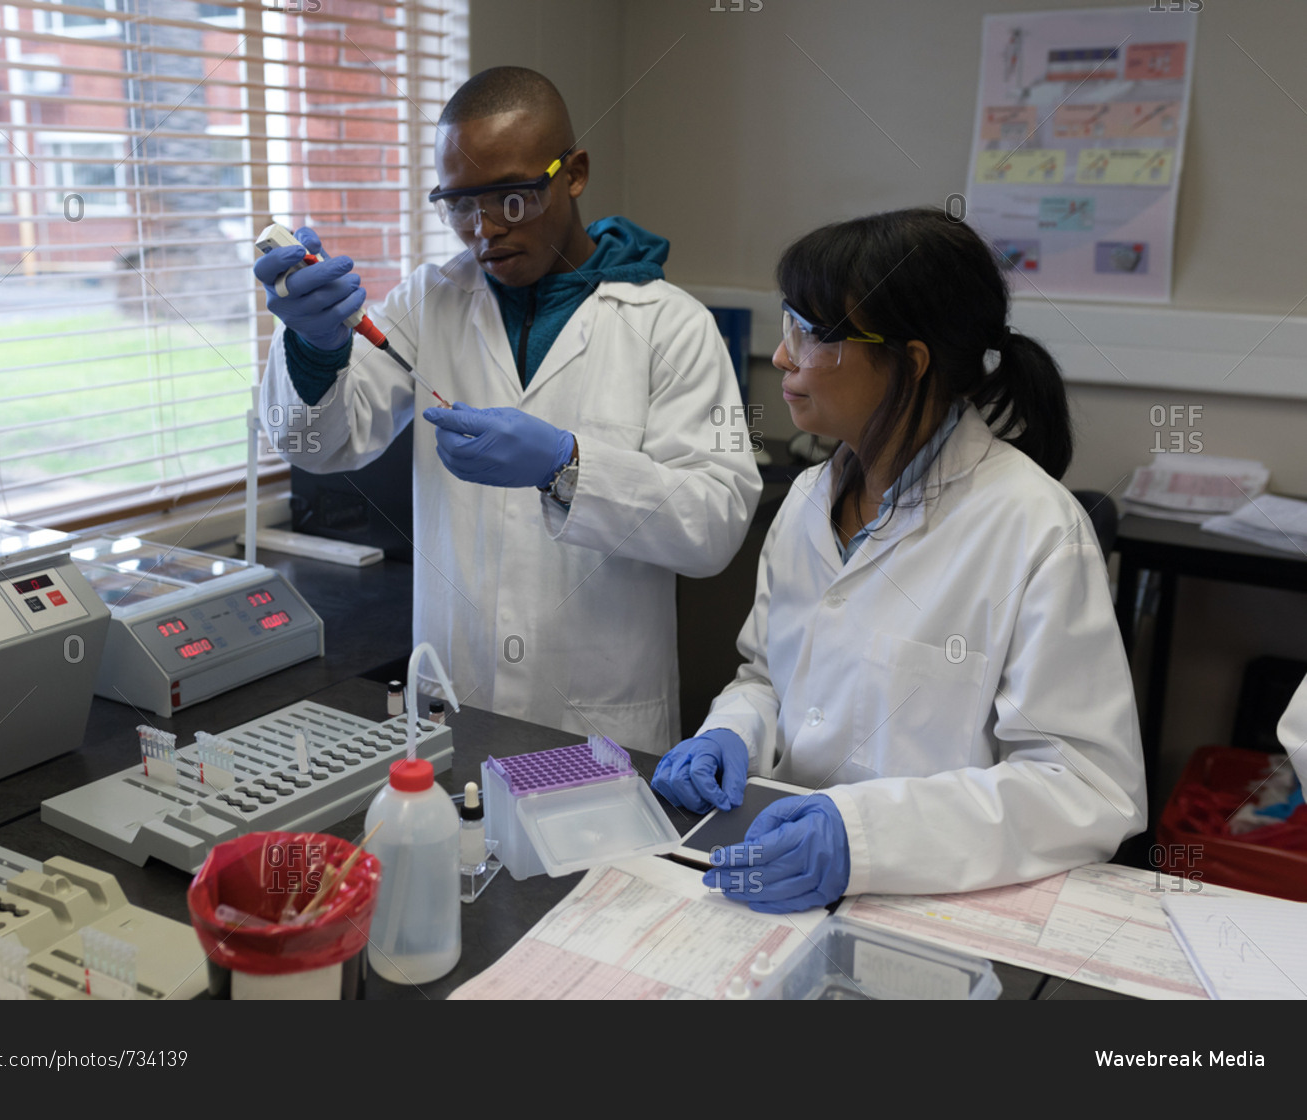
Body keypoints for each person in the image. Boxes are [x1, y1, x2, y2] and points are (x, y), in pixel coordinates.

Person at [651, 207, 1146, 912]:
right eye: (787, 322)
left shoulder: (1036, 530)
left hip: (931, 900)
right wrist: (733, 729)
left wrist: (866, 838)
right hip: (779, 871)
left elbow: (1084, 787)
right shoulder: (807, 502)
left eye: (813, 333)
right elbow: (767, 674)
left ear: (911, 363)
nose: (784, 356)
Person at [256, 67, 761, 754]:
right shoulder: (427, 302)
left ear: (574, 173)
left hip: (600, 724)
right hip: (454, 704)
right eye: (459, 205)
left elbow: (713, 525)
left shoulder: (672, 326)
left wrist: (568, 466)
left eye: (512, 200)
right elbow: (320, 444)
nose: (483, 231)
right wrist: (314, 347)